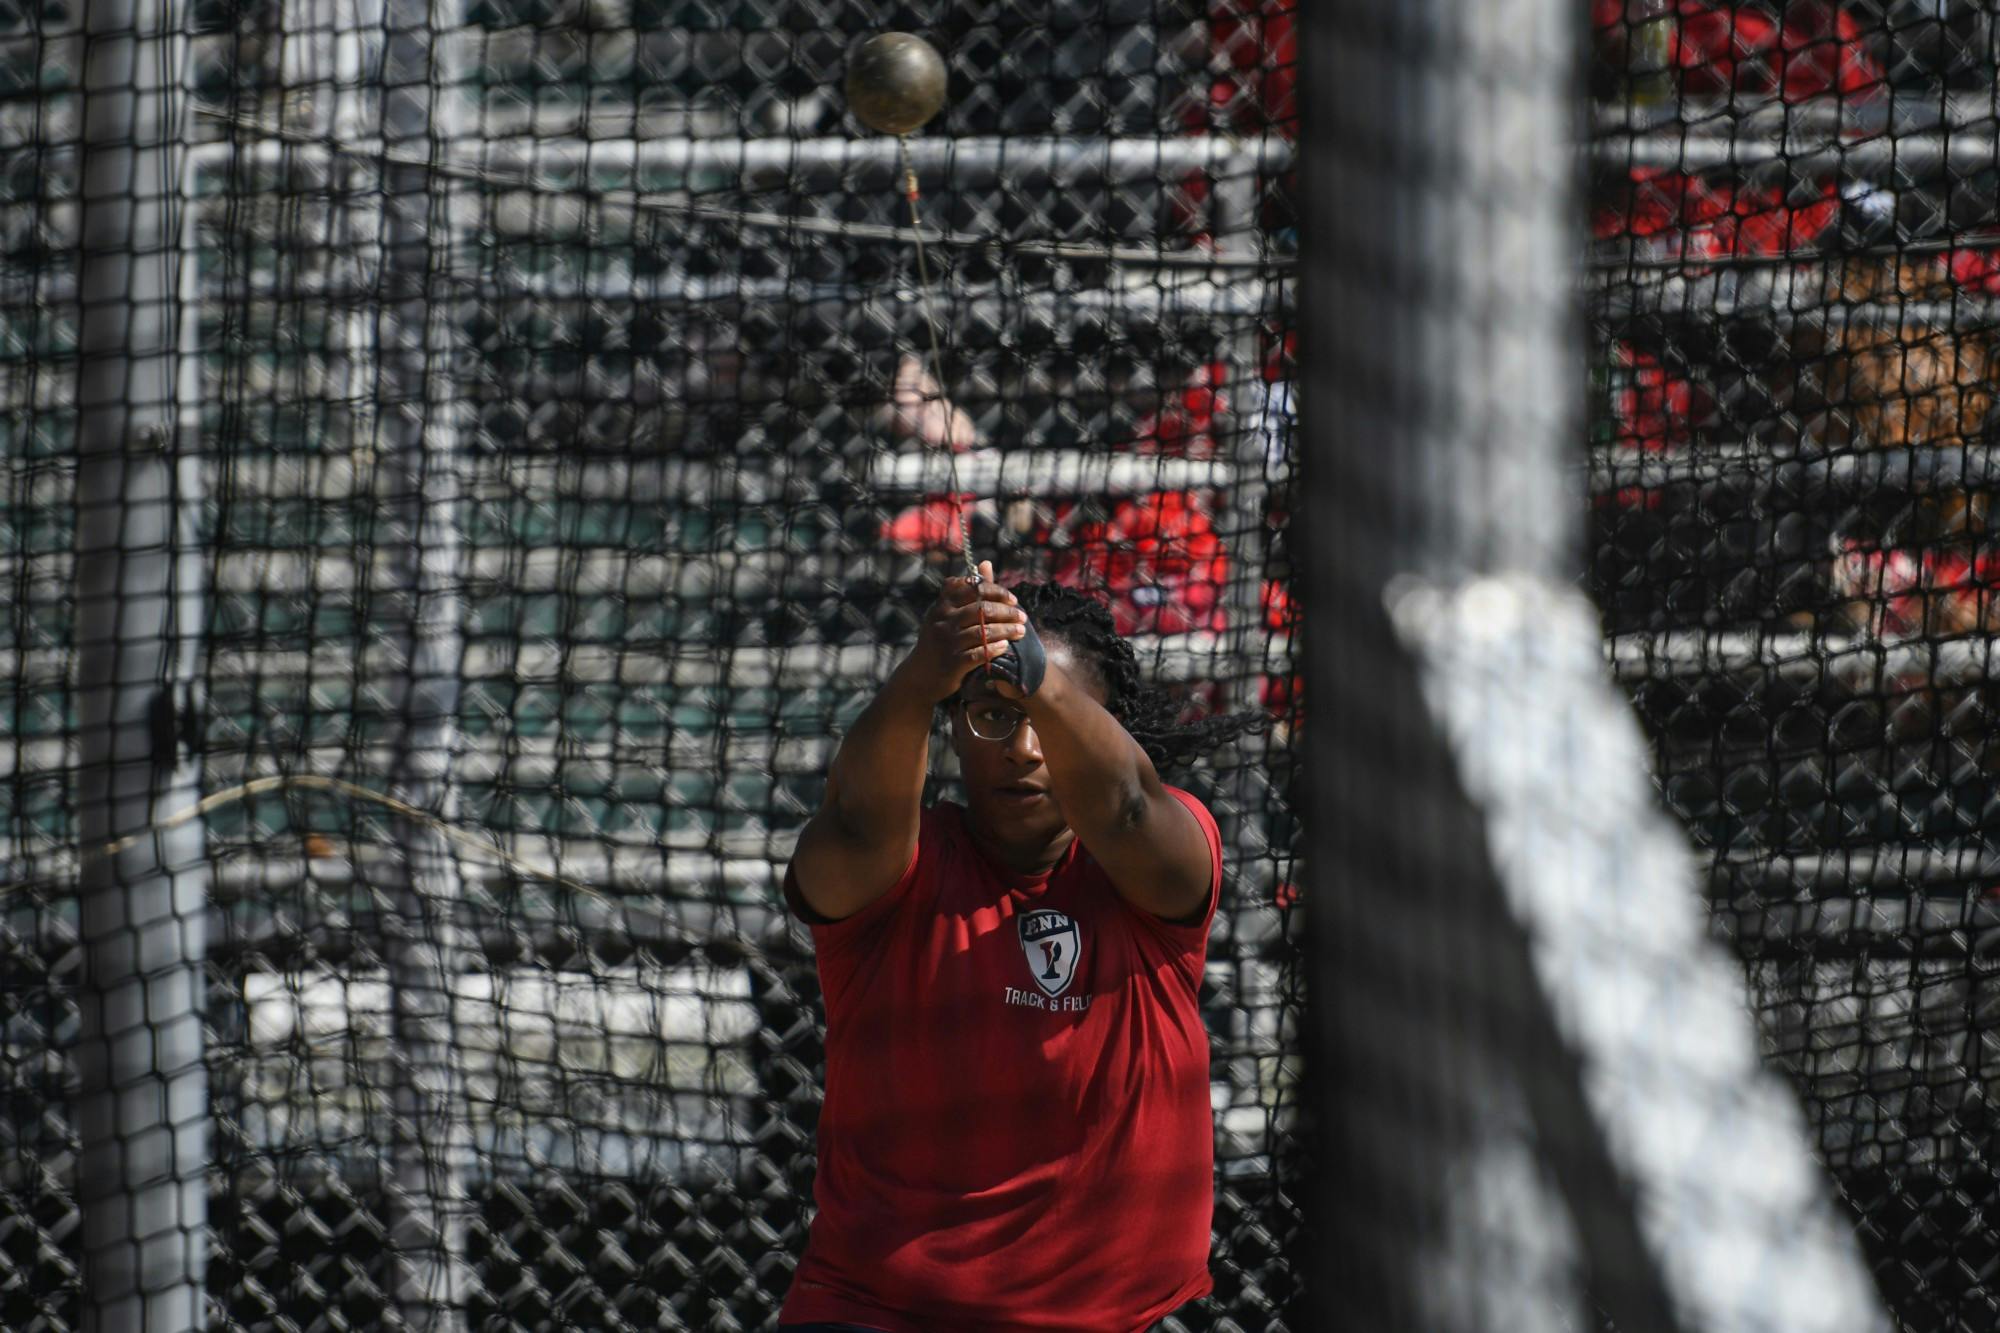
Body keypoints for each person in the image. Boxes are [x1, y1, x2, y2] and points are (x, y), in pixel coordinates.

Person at [777, 566, 1259, 1333]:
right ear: (954, 727)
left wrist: (1034, 674)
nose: (1025, 749)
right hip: (879, 1313)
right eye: (993, 716)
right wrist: (917, 680)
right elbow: (857, 826)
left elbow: (1129, 806)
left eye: (1050, 720)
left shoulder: (1157, 861)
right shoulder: (901, 869)